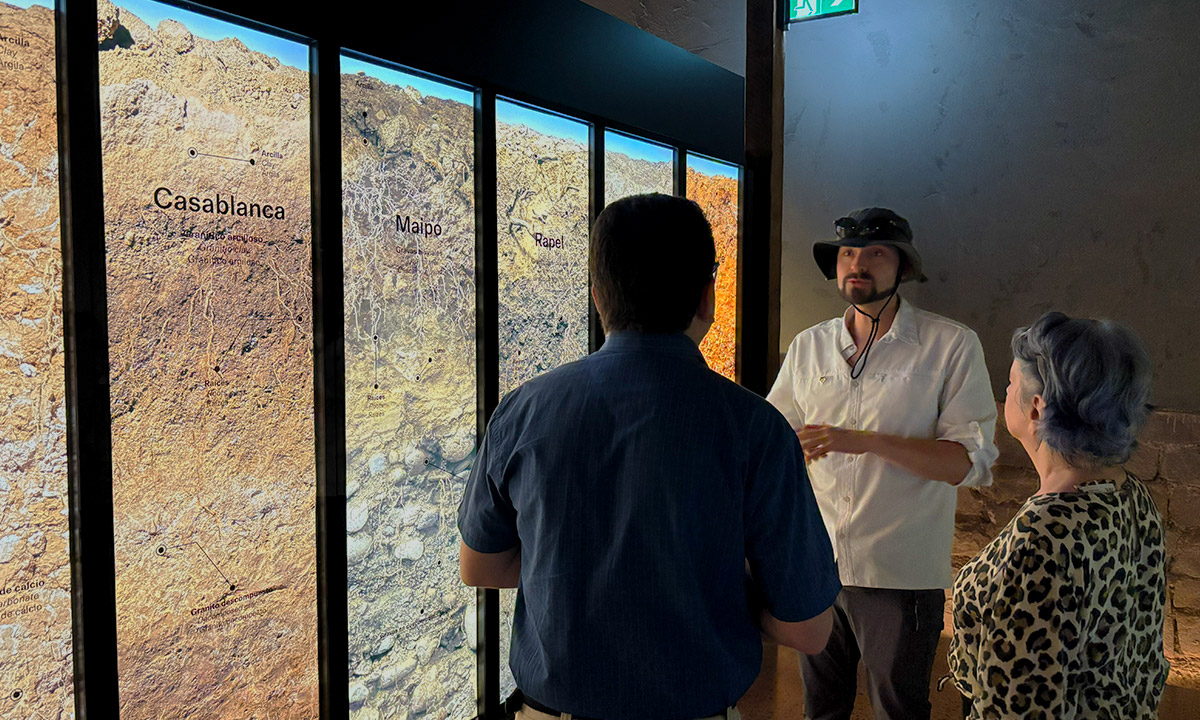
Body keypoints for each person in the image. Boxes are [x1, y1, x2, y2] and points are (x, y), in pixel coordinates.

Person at [457, 193, 841, 720]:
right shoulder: (758, 430)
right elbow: (810, 629)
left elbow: (478, 566)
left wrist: (582, 565)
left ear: (597, 296)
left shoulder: (523, 412)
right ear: (708, 296)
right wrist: (708, 581)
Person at [766, 207, 999, 720]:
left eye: (875, 253)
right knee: (820, 709)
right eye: (848, 253)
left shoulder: (951, 345)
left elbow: (967, 463)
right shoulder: (809, 346)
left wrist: (864, 440)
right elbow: (773, 439)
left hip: (900, 573)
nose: (858, 263)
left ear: (903, 267)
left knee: (899, 709)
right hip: (818, 566)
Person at [948, 312, 1169, 719]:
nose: (1005, 389)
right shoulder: (1131, 492)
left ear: (1036, 408)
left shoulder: (1042, 541)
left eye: (1011, 381)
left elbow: (1021, 707)